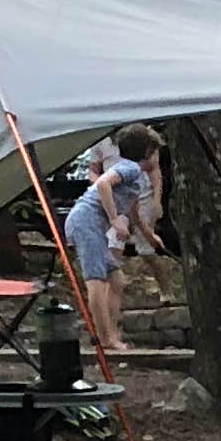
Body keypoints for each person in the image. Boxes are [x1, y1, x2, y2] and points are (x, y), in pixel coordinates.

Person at [62, 123, 168, 315]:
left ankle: (111, 333)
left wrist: (149, 234)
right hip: (86, 222)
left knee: (116, 279)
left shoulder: (137, 177)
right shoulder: (131, 169)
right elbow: (103, 183)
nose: (156, 158)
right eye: (154, 152)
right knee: (96, 279)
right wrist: (115, 220)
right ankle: (105, 338)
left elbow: (134, 210)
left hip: (91, 222)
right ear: (146, 153)